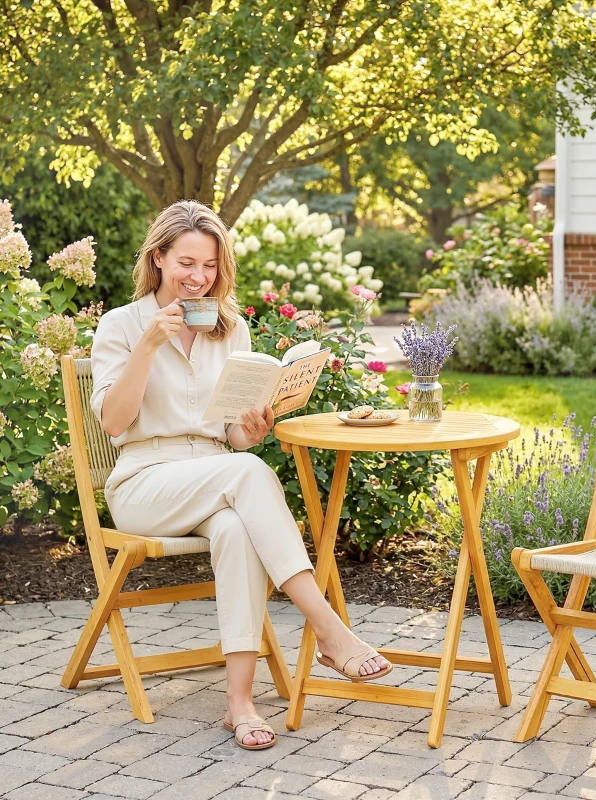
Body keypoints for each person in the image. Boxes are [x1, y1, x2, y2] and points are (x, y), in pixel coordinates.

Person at [90, 200, 391, 750]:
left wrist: (250, 428)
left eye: (209, 266)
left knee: (236, 524)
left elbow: (230, 434)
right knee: (246, 475)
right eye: (186, 263)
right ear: (158, 258)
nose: (198, 278)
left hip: (215, 472)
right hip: (144, 482)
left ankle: (240, 704)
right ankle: (328, 628)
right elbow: (114, 421)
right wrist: (150, 344)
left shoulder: (228, 329)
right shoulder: (122, 325)